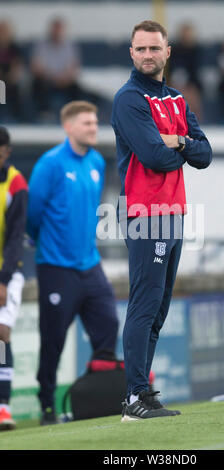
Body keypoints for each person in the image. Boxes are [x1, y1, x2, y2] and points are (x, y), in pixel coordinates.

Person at [111, 20, 212, 421]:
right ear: (132, 53)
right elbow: (154, 156)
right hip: (145, 214)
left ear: (167, 52)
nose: (148, 55)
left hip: (174, 213)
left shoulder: (176, 98)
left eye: (155, 48)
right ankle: (133, 397)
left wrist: (181, 142)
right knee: (144, 305)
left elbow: (204, 155)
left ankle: (144, 392)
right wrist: (179, 149)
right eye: (141, 49)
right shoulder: (129, 99)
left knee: (159, 309)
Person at [27, 101, 119, 425]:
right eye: (86, 123)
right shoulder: (49, 164)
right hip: (56, 267)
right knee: (53, 340)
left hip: (90, 266)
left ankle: (97, 395)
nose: (93, 127)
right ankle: (47, 405)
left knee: (108, 325)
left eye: (95, 122)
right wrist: (46, 243)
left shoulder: (96, 161)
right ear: (68, 127)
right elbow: (32, 214)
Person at [0, 127, 28, 431]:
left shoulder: (15, 183)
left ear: (5, 152)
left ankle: (3, 408)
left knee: (1, 333)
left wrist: (4, 280)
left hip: (6, 271)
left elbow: (16, 236)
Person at [30, 18, 82, 119]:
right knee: (37, 83)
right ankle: (44, 114)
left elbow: (73, 68)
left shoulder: (70, 47)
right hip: (47, 79)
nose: (57, 32)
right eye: (55, 29)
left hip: (64, 81)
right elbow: (36, 67)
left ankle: (74, 115)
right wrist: (52, 77)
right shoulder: (41, 46)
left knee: (76, 87)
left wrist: (64, 78)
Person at [169, 22, 203, 122]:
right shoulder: (173, 50)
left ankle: (195, 122)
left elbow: (196, 70)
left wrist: (188, 85)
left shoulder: (197, 50)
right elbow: (171, 68)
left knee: (192, 94)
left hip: (192, 83)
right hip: (174, 82)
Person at [0, 21, 25, 122]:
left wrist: (13, 74)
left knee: (15, 87)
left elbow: (18, 65)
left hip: (11, 79)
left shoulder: (15, 48)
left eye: (5, 32)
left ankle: (18, 118)